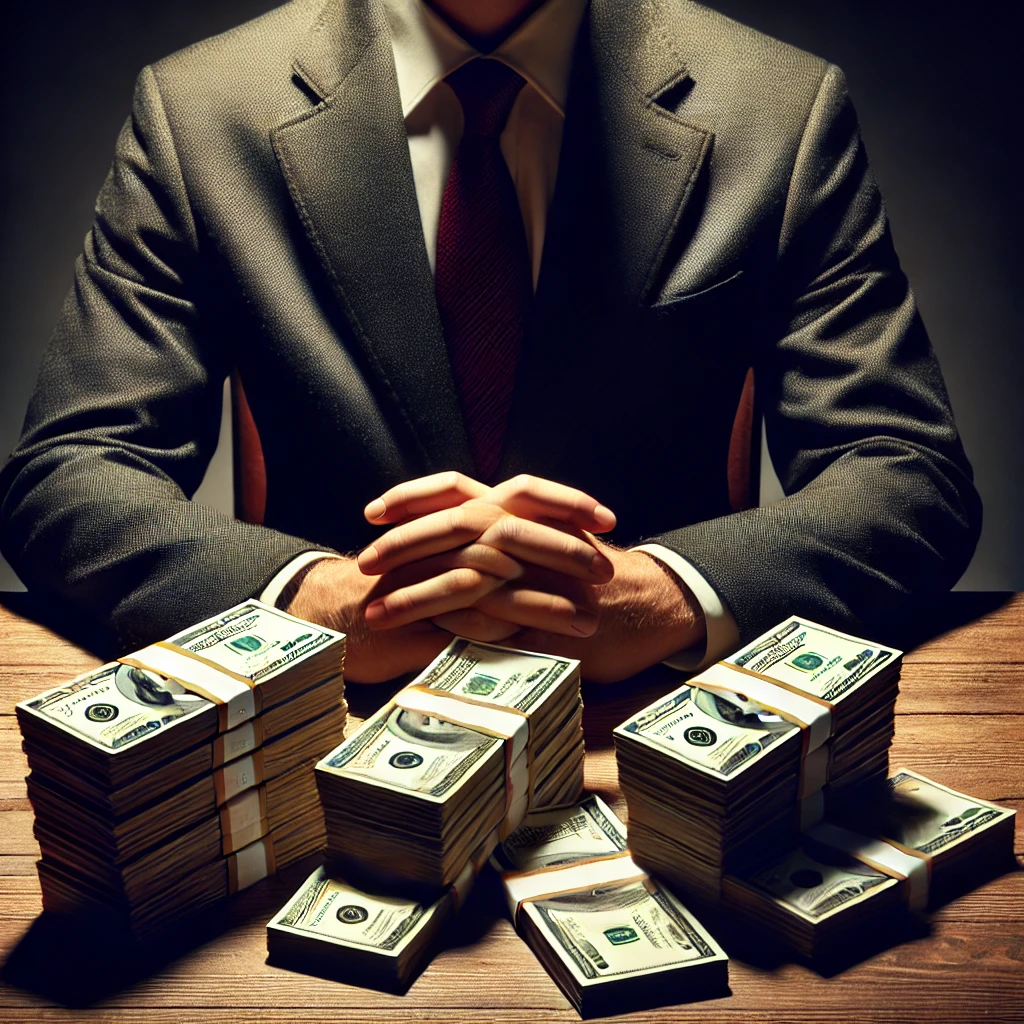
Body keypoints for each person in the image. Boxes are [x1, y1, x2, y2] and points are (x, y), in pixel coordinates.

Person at [0, 0, 981, 684]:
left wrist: (663, 594)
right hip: (324, 751)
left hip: (664, 757)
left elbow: (905, 475)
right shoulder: (200, 110)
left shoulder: (781, 108)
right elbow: (72, 477)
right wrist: (313, 606)